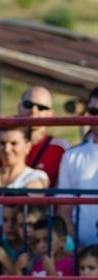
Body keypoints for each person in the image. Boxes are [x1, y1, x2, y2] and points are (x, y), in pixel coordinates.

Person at [56, 87, 98, 248]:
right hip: (84, 256)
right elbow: (64, 210)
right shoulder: (72, 156)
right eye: (94, 111)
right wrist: (77, 250)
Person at [18, 86, 69, 187]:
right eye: (28, 105)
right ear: (19, 107)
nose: (33, 110)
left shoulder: (61, 148)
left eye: (41, 107)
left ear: (51, 114)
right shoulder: (4, 144)